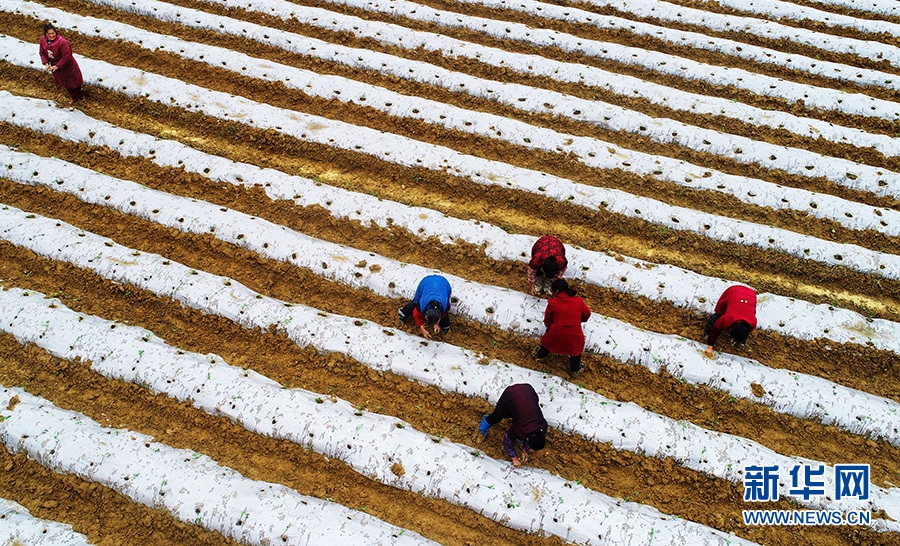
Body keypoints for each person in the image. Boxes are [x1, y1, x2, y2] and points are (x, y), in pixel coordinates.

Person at [479, 383, 547, 467]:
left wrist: (525, 450)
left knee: (518, 413)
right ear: (527, 438)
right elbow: (507, 440)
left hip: (528, 390)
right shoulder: (520, 429)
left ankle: (516, 415)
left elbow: (531, 436)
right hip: (512, 394)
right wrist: (514, 458)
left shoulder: (543, 426)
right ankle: (484, 424)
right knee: (497, 416)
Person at [535, 279, 591, 374]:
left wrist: (552, 326)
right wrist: (577, 321)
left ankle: (540, 355)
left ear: (556, 291)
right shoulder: (578, 301)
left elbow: (547, 321)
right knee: (575, 350)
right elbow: (587, 314)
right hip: (575, 333)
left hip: (556, 332)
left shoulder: (553, 303)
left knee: (547, 342)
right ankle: (575, 368)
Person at [704, 285, 757, 357]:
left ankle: (739, 340)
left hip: (751, 295)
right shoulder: (727, 318)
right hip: (733, 291)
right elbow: (715, 329)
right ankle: (707, 332)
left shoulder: (752, 323)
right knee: (718, 314)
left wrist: (738, 338)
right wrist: (710, 346)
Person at [39, 23, 84, 103]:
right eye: (49, 34)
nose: (51, 35)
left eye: (53, 33)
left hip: (67, 66)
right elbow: (42, 52)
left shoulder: (63, 43)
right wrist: (46, 63)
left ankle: (81, 96)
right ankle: (73, 98)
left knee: (75, 82)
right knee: (66, 84)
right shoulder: (43, 40)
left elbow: (67, 56)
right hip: (55, 66)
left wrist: (57, 66)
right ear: (46, 34)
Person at [398, 275, 451, 340]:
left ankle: (446, 326)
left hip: (444, 284)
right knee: (416, 301)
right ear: (426, 313)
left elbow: (444, 313)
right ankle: (403, 313)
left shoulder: (444, 305)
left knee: (445, 314)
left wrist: (436, 324)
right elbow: (416, 315)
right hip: (426, 283)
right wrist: (422, 328)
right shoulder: (422, 304)